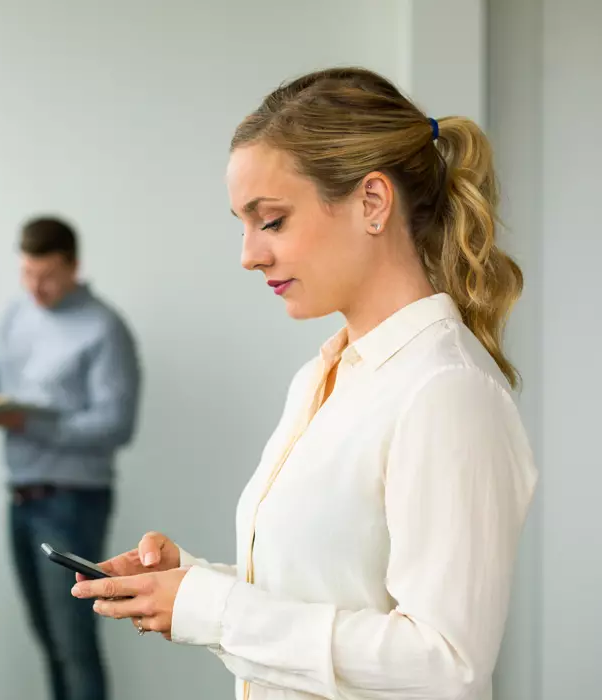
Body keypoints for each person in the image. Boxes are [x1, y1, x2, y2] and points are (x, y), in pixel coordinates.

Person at [71, 67, 538, 700]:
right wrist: (190, 585)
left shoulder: (446, 390)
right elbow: (330, 592)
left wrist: (216, 609)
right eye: (243, 223)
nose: (248, 254)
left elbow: (443, 664)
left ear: (372, 203)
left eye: (271, 221)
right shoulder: (324, 377)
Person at [0, 217, 142, 700]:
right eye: (26, 274)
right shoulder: (15, 315)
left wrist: (31, 424)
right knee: (47, 641)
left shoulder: (105, 328)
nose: (35, 287)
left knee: (74, 645)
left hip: (73, 503)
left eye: (45, 276)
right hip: (19, 498)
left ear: (72, 266)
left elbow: (117, 424)